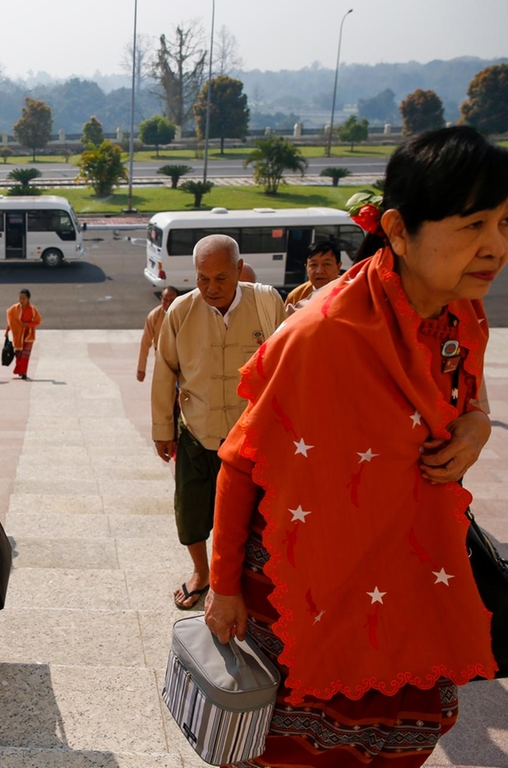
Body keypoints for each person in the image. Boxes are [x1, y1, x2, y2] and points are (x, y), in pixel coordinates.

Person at [204, 126, 507, 766]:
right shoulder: (323, 334)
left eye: (506, 225)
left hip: (411, 569)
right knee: (304, 745)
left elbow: (469, 394)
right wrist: (222, 586)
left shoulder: (465, 313)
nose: (495, 248)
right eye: (474, 224)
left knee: (405, 735)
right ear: (398, 230)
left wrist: (475, 426)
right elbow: (240, 459)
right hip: (310, 582)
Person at [151, 235, 284, 610]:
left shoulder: (265, 302)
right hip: (197, 431)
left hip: (253, 435)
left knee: (256, 513)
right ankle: (201, 572)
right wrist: (162, 429)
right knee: (191, 510)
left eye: (221, 278)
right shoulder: (180, 310)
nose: (211, 288)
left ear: (239, 270)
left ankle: (250, 575)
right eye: (202, 279)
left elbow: (287, 364)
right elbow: (165, 370)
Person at [284, 238, 343, 310]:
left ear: (338, 266)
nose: (319, 271)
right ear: (306, 267)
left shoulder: (351, 292)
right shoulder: (296, 296)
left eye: (326, 264)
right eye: (313, 265)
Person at [136, 286, 179, 382]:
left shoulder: (185, 315)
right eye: (165, 300)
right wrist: (141, 369)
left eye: (172, 300)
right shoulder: (154, 316)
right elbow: (145, 342)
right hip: (162, 361)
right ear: (161, 299)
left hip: (182, 361)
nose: (168, 304)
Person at [6, 289, 42, 380]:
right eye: (20, 298)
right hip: (18, 335)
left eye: (23, 298)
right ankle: (20, 370)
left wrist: (28, 325)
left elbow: (38, 321)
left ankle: (24, 372)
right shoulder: (14, 309)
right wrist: (7, 330)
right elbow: (11, 321)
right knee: (18, 354)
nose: (21, 300)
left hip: (29, 335)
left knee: (25, 355)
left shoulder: (32, 310)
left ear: (28, 299)